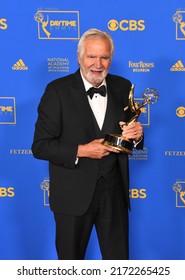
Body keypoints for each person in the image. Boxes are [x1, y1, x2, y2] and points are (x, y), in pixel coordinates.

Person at [32, 28, 143, 260]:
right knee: (70, 266)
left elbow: (126, 140)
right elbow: (40, 146)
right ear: (79, 57)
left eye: (104, 57)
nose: (98, 64)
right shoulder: (57, 91)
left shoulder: (124, 87)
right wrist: (82, 151)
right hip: (73, 196)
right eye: (92, 56)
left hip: (114, 194)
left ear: (111, 59)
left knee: (119, 266)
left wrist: (137, 136)